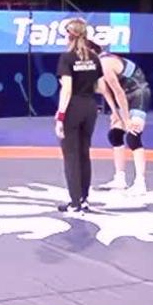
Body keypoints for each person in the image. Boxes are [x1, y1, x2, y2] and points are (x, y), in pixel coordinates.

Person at [54, 19, 105, 214]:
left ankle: (74, 202)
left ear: (69, 35)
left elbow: (66, 89)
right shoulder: (94, 57)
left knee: (71, 156)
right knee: (84, 153)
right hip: (90, 107)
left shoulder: (67, 58)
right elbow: (100, 88)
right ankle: (84, 199)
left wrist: (60, 116)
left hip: (73, 107)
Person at [97, 51, 150, 194]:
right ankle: (120, 178)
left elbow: (118, 92)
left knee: (133, 135)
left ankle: (140, 182)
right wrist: (115, 112)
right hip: (125, 97)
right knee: (115, 134)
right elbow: (106, 91)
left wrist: (126, 120)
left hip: (139, 93)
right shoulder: (94, 66)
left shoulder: (104, 63)